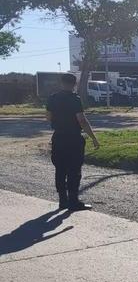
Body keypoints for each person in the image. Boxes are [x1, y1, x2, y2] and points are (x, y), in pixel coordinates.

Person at [46, 74, 100, 211]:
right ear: (74, 84)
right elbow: (81, 120)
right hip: (73, 139)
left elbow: (48, 117)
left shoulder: (52, 98)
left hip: (58, 138)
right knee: (74, 170)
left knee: (60, 169)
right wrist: (93, 137)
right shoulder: (74, 99)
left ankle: (63, 200)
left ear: (61, 83)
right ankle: (73, 201)